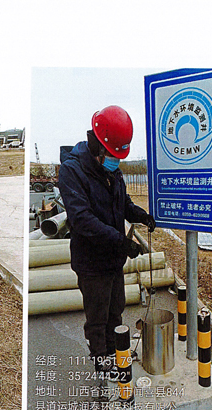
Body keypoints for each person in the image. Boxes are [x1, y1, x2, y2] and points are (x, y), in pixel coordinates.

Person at [58, 105, 157, 375]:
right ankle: (102, 363)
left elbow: (123, 203)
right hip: (91, 263)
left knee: (115, 311)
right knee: (98, 318)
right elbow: (82, 219)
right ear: (98, 146)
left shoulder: (112, 171)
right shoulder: (72, 171)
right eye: (113, 155)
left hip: (113, 260)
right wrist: (120, 242)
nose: (116, 161)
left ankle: (115, 352)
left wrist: (141, 215)